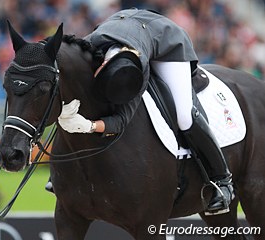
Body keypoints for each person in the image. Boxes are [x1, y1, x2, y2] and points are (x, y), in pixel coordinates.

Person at [58, 8, 234, 215]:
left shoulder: (139, 69)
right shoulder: (89, 48)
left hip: (168, 44)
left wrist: (90, 126)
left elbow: (122, 121)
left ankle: (222, 180)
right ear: (100, 64)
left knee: (185, 116)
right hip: (124, 28)